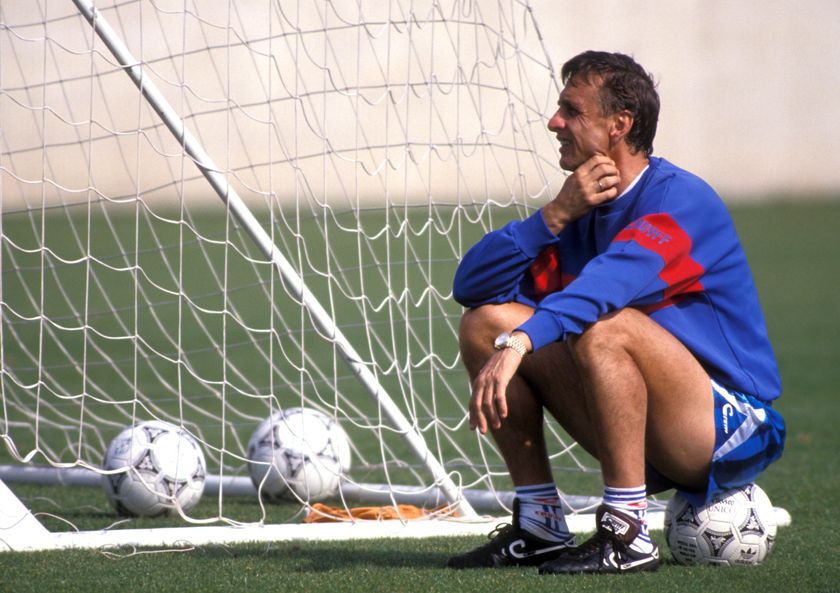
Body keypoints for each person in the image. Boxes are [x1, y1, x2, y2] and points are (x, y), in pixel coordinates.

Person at [446, 50, 785, 575]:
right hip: (641, 425)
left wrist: (521, 344)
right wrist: (553, 216)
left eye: (571, 111)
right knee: (485, 324)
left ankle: (628, 534)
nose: (554, 122)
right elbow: (471, 287)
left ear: (619, 126)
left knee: (606, 325)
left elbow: (604, 290)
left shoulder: (680, 201)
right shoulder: (578, 214)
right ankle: (539, 524)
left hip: (726, 427)